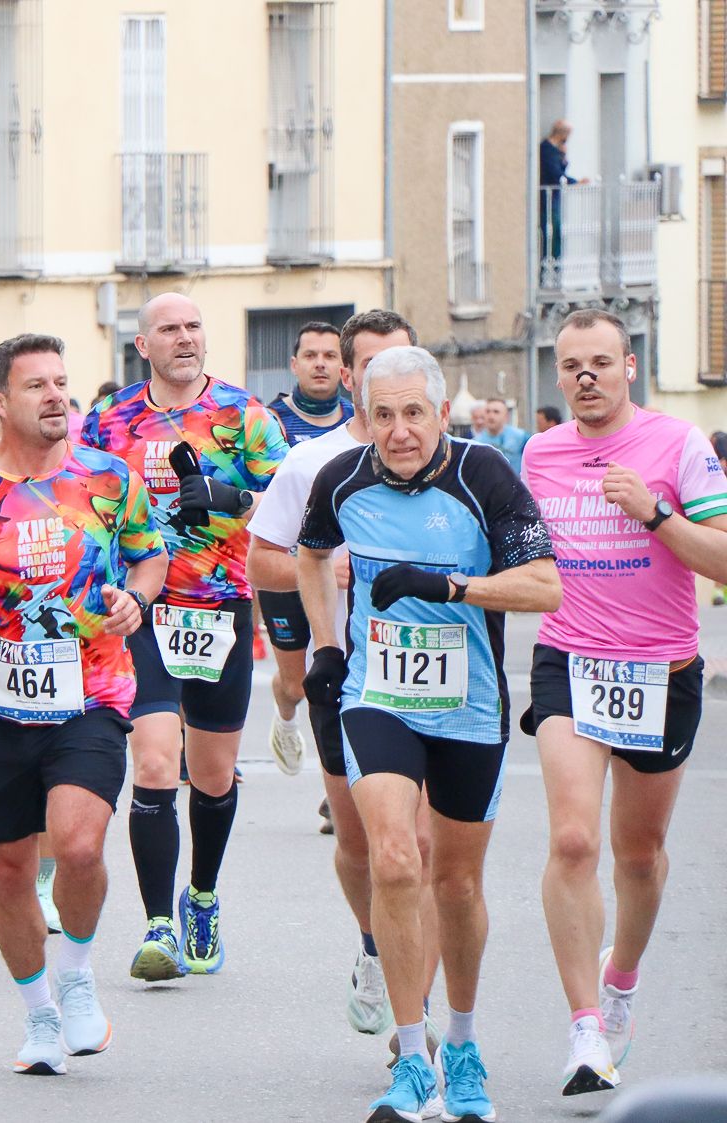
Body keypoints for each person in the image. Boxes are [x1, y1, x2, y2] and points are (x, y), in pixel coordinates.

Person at [298, 345, 560, 1123]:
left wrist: (452, 586)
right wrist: (328, 644)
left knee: (457, 882)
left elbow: (545, 584)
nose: (401, 430)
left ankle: (465, 1041)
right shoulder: (340, 480)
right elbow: (309, 557)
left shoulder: (484, 477)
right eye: (385, 414)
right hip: (377, 694)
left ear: (440, 414)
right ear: (366, 417)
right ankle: (413, 1060)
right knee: (394, 855)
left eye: (415, 412)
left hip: (469, 705)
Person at [0, 331, 166, 1075]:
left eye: (61, 382)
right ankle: (40, 1014)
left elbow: (150, 553)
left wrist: (135, 599)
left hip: (93, 689)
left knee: (78, 844)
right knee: (9, 869)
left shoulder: (109, 477)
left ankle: (76, 973)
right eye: (36, 386)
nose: (55, 397)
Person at [519, 309, 727, 1096]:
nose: (585, 378)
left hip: (659, 671)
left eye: (600, 363)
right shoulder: (539, 452)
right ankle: (583, 1029)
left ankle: (622, 981)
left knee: (637, 855)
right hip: (568, 658)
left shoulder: (678, 446)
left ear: (629, 367)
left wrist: (655, 511)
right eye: (571, 365)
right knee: (573, 841)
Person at [79, 293, 286, 980]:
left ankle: (201, 895)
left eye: (195, 325)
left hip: (221, 606)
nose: (185, 338)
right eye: (169, 329)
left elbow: (293, 502)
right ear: (144, 345)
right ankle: (158, 924)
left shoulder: (246, 417)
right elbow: (77, 500)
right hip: (144, 609)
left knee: (214, 772)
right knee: (158, 763)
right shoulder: (110, 422)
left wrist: (234, 500)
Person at [247, 309, 417, 1040]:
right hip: (344, 671)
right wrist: (331, 565)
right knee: (360, 844)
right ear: (349, 377)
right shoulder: (311, 462)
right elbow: (262, 560)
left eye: (406, 365)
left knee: (417, 852)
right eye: (374, 366)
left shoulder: (458, 462)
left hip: (430, 678)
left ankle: (422, 1013)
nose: (392, 381)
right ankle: (377, 945)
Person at [260, 321, 354, 776]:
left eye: (330, 355)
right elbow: (255, 501)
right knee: (298, 684)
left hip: (341, 572)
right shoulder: (268, 421)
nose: (321, 363)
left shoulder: (362, 421)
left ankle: (334, 789)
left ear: (345, 367)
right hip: (287, 566)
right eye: (311, 355)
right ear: (294, 364)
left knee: (334, 679)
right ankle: (284, 716)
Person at [540, 120, 584, 273]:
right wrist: (576, 182)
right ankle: (550, 268)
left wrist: (563, 157)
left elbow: (560, 171)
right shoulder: (546, 149)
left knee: (556, 232)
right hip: (547, 200)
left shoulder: (555, 150)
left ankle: (555, 266)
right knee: (552, 233)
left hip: (554, 199)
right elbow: (555, 175)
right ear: (563, 134)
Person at [470, 398, 530, 473]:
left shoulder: (521, 437)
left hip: (515, 483)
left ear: (506, 416)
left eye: (496, 412)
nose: (491, 416)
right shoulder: (476, 443)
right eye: (487, 411)